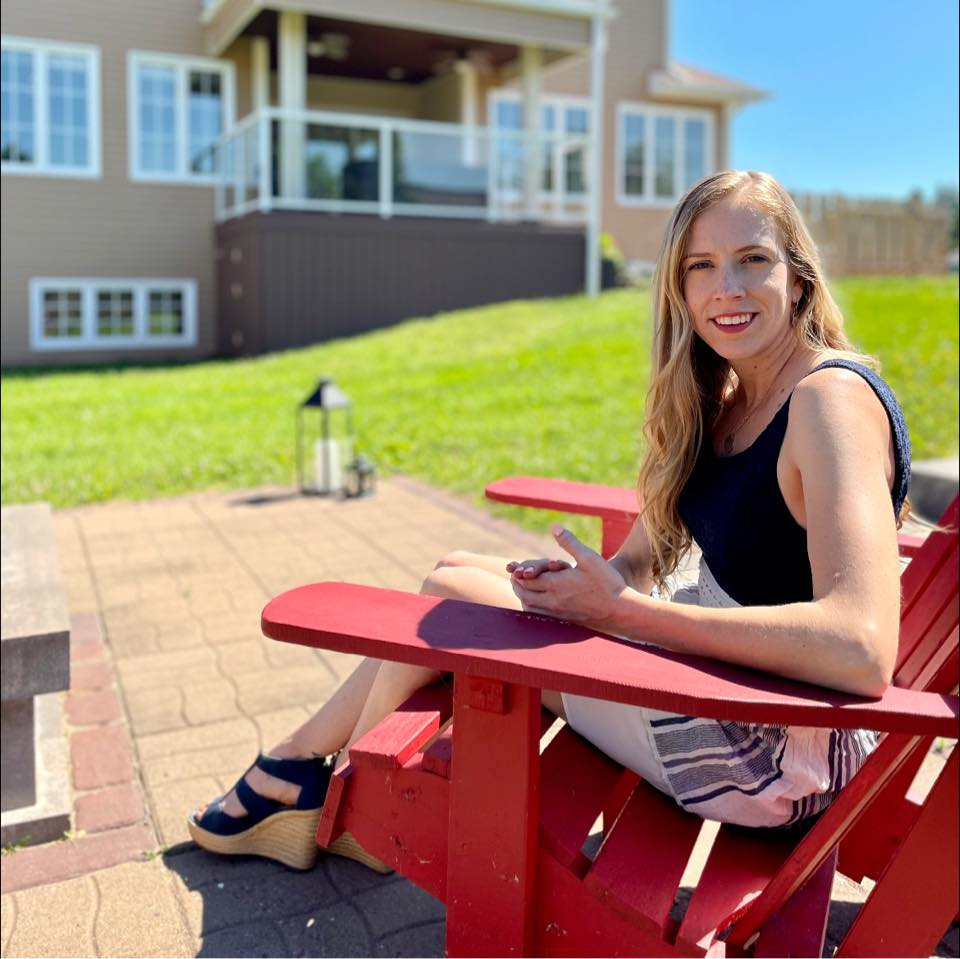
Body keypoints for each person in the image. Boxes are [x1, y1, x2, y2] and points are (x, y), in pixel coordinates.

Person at [188, 169, 910, 869]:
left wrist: (627, 614)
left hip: (765, 752)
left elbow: (861, 648)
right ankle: (319, 775)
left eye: (753, 259)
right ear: (679, 291)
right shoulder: (728, 401)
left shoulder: (829, 402)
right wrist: (589, 586)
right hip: (721, 691)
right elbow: (639, 559)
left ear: (799, 275)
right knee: (454, 572)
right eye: (702, 266)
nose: (727, 287)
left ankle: (320, 781)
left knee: (453, 602)